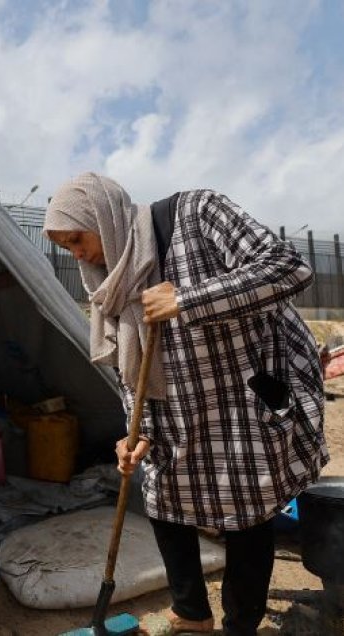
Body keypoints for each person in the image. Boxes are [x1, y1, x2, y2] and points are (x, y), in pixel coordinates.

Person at [42, 173, 328, 636]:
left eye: (76, 239)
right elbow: (131, 367)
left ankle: (241, 625)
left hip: (241, 401)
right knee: (162, 498)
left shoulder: (197, 213)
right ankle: (192, 613)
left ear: (103, 216)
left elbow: (288, 268)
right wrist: (137, 435)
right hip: (174, 409)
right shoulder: (110, 281)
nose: (77, 256)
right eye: (67, 249)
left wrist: (189, 298)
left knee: (246, 513)